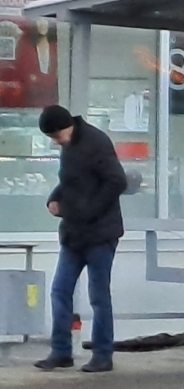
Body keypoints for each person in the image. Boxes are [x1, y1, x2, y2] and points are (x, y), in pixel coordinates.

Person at [36, 104, 127, 373]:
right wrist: (55, 197)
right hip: (74, 234)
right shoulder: (70, 147)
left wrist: (89, 211)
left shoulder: (96, 142)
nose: (56, 142)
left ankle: (102, 353)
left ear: (67, 127)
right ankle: (61, 351)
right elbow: (71, 180)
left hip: (100, 234)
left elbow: (117, 181)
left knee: (98, 295)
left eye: (56, 136)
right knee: (60, 290)